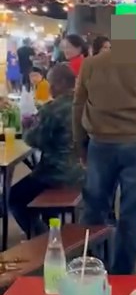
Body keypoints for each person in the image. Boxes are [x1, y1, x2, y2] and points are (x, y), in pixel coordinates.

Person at [73, 50, 136, 275]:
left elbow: (78, 106)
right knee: (133, 211)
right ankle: (122, 274)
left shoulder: (91, 64)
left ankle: (91, 269)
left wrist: (80, 144)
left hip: (100, 144)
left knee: (94, 208)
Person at [9, 64, 83, 237]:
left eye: (53, 83)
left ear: (62, 83)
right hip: (84, 172)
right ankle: (47, 229)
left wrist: (29, 126)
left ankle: (41, 238)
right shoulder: (85, 103)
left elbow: (32, 140)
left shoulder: (53, 108)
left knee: (13, 198)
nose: (50, 88)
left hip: (56, 174)